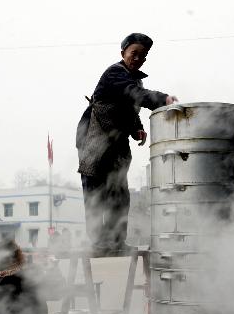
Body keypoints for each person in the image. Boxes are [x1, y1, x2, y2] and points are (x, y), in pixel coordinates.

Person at [76, 32, 177, 252]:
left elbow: (130, 108)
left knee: (120, 195)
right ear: (123, 53)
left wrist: (137, 129)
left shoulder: (135, 79)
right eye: (134, 53)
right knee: (96, 195)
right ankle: (98, 245)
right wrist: (163, 99)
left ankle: (116, 243)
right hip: (93, 142)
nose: (137, 58)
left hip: (116, 146)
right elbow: (133, 93)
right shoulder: (115, 73)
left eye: (142, 55)